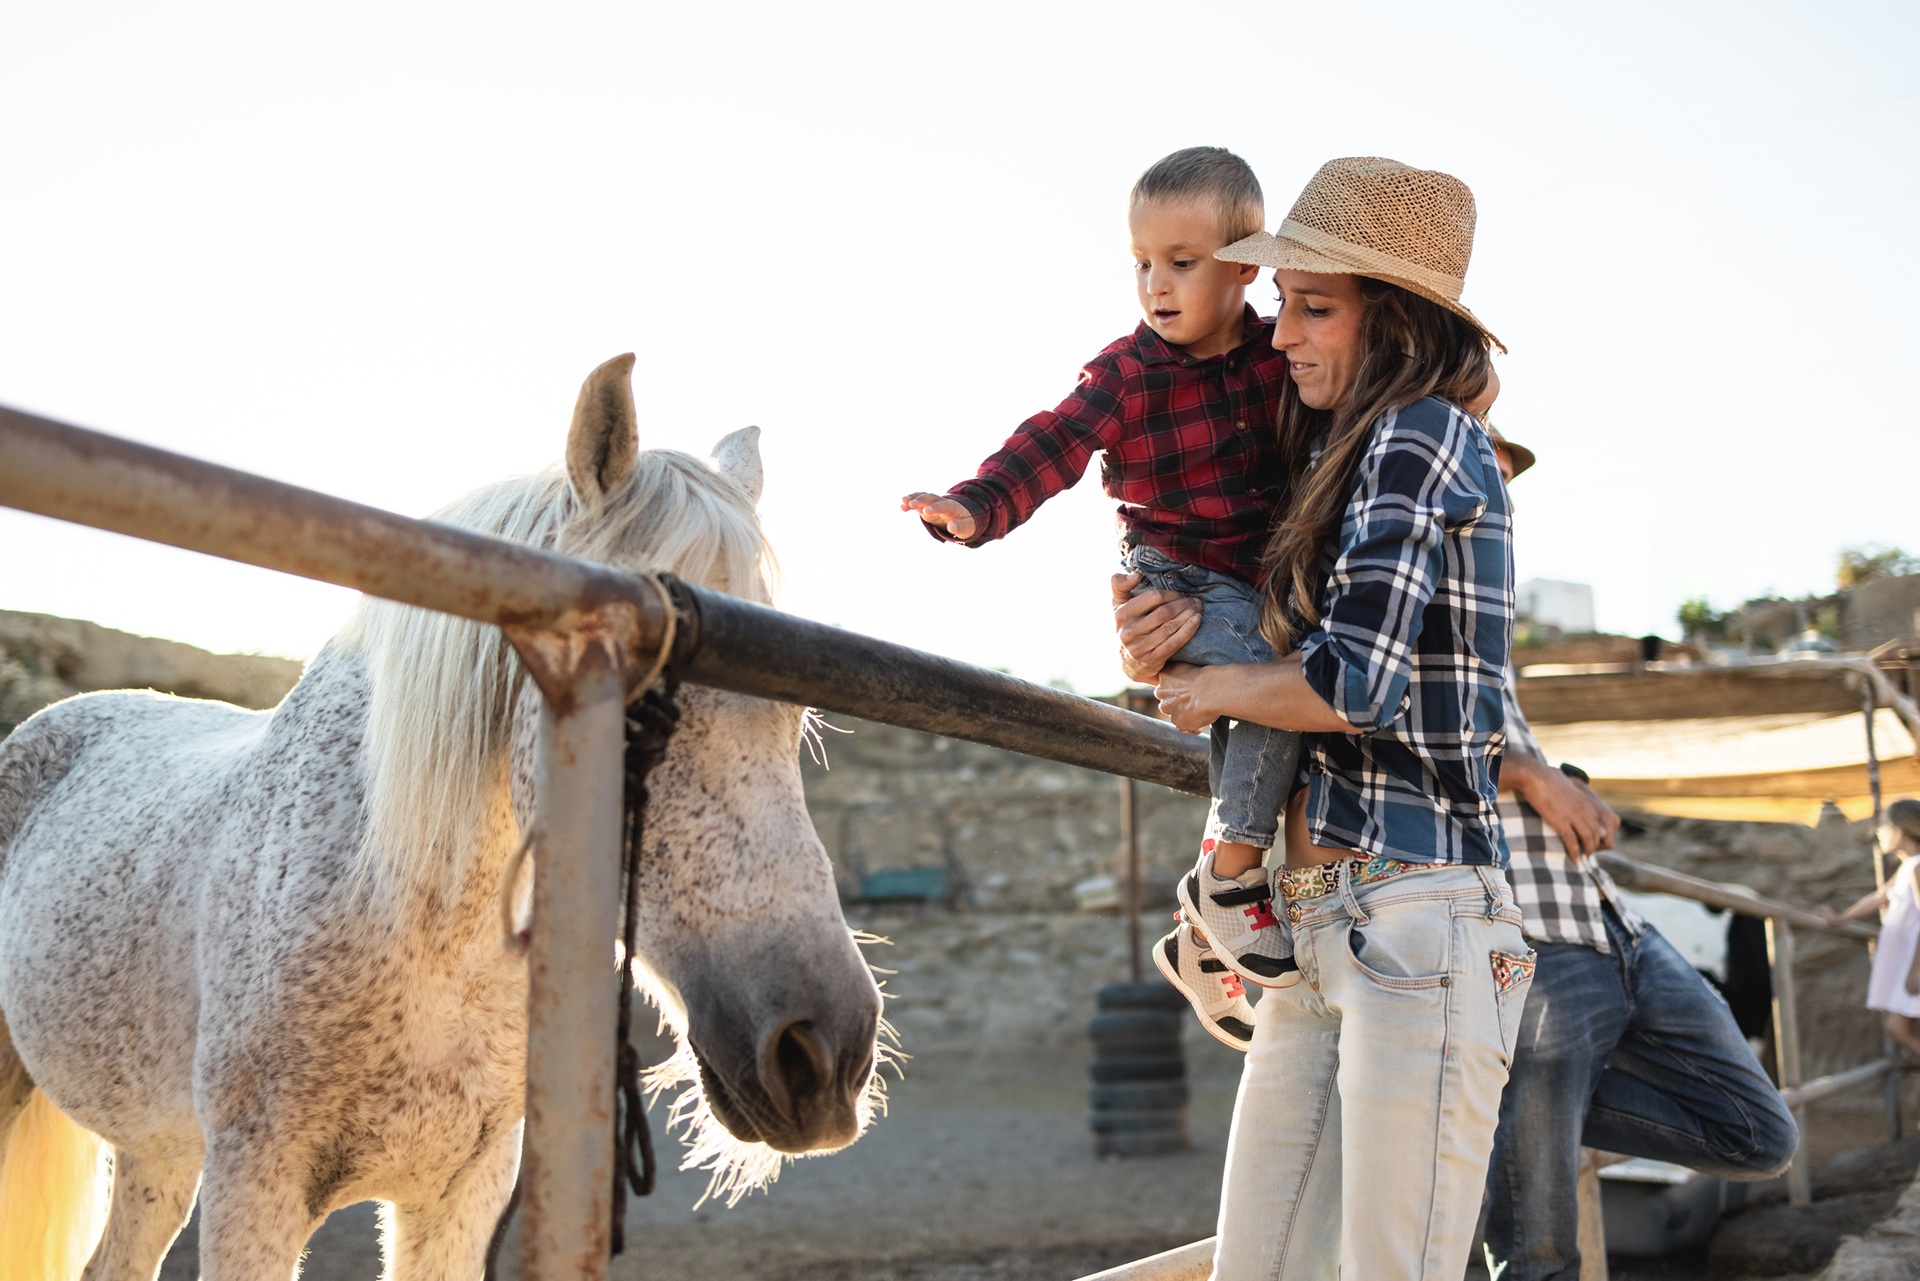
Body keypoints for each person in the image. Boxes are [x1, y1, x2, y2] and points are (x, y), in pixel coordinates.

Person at [1115, 156, 1529, 1280]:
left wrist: (1199, 690)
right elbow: (1277, 656)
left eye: (1314, 306)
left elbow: (1353, 686)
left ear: (1390, 324)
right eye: (1281, 299)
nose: (1278, 330)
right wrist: (1170, 627)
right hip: (1319, 930)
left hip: (1415, 916)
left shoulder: (1419, 436)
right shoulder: (1340, 457)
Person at [901, 146, 1301, 1046]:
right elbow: (1055, 442)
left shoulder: (1283, 353)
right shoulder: (1128, 372)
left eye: (1182, 263)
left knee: (1274, 709)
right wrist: (973, 505)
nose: (1155, 284)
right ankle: (1230, 883)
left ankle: (1200, 942)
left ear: (1244, 268)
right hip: (1178, 577)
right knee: (1274, 687)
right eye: (1141, 263)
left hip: (1261, 584)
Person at [1478, 427, 1798, 1281]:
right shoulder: (1393, 584)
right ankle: (1496, 1113)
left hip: (1615, 926)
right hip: (1532, 946)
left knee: (1759, 1132)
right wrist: (1528, 775)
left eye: (1506, 481)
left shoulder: (1488, 617)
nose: (1501, 496)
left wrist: (1556, 779)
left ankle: (1492, 1111)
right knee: (1540, 1259)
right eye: (1486, 468)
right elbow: (1365, 737)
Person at [1824, 798, 1920, 1061]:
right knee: (1897, 1028)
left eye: (1883, 827)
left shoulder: (1916, 866)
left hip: (1915, 962)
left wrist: (1916, 968)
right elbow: (1880, 896)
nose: (1878, 833)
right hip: (1910, 963)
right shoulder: (1907, 866)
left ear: (1900, 829)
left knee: (1897, 1029)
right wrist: (1840, 918)